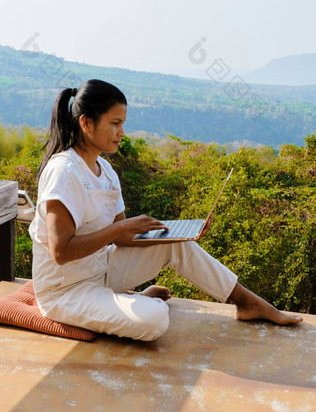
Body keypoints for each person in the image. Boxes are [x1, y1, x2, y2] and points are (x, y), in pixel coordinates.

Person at [29, 79, 302, 342]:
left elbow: (123, 239)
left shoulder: (107, 172)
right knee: (155, 320)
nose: (122, 133)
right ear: (86, 123)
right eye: (115, 123)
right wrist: (121, 227)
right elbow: (61, 251)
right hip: (66, 291)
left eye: (122, 123)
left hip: (102, 271)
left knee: (178, 245)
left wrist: (183, 232)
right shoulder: (63, 172)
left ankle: (247, 302)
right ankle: (134, 300)